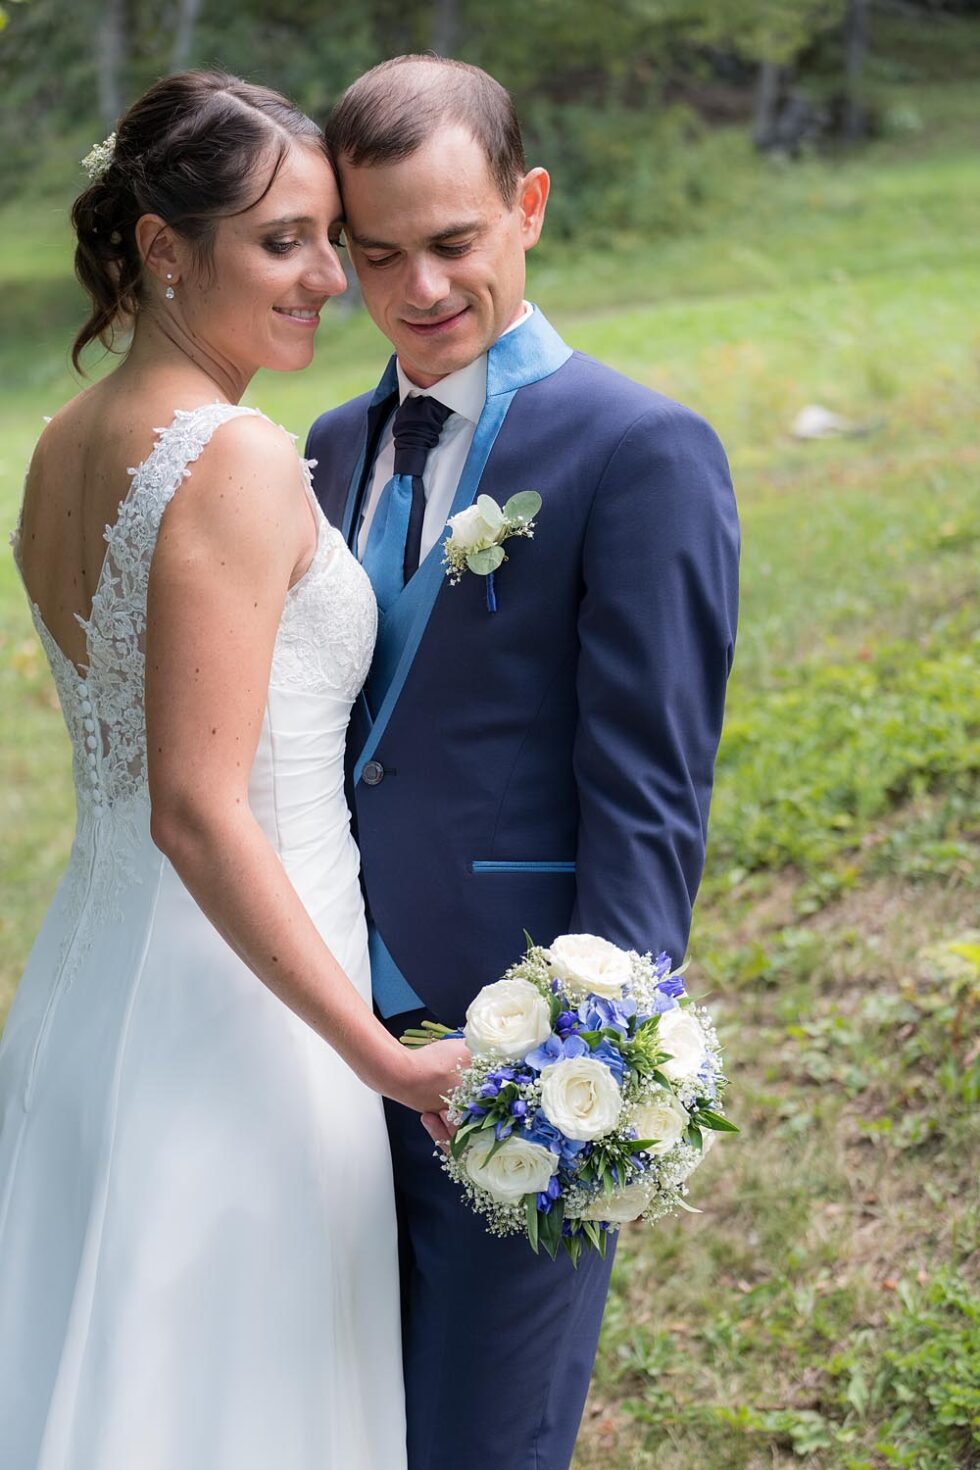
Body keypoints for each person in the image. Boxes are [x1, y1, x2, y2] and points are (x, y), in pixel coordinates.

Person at [0, 69, 466, 1469]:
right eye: (286, 241)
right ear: (159, 246)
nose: (333, 275)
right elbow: (199, 810)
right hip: (245, 1029)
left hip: (84, 995)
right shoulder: (241, 459)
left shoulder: (54, 448)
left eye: (331, 238)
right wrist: (380, 1055)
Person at [307, 54, 740, 1470]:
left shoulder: (640, 449)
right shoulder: (322, 446)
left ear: (528, 206)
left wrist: (587, 1063)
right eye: (378, 255)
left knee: (483, 1442)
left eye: (453, 243)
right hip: (311, 1045)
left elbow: (649, 791)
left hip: (508, 1057)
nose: (417, 288)